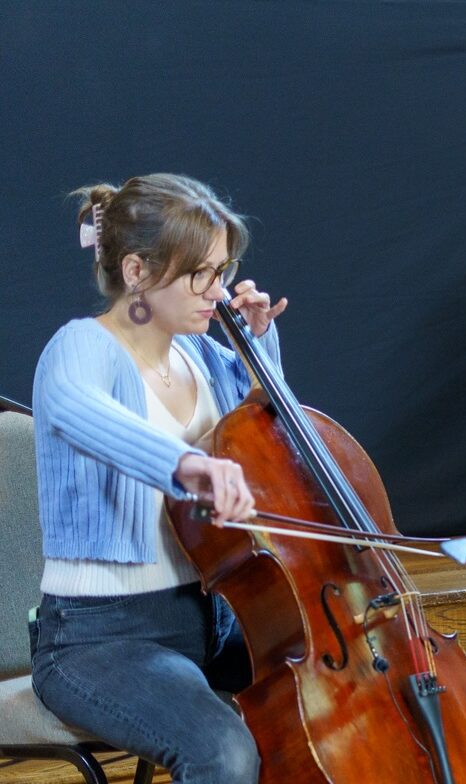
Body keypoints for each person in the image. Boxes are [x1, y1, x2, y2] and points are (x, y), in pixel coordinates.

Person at [30, 174, 288, 783]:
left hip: (213, 617)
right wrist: (187, 465)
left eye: (222, 270)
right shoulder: (80, 348)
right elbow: (79, 411)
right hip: (98, 640)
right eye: (200, 273)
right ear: (138, 271)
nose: (217, 290)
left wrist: (259, 346)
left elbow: (275, 435)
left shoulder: (201, 353)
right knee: (222, 752)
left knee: (331, 701)